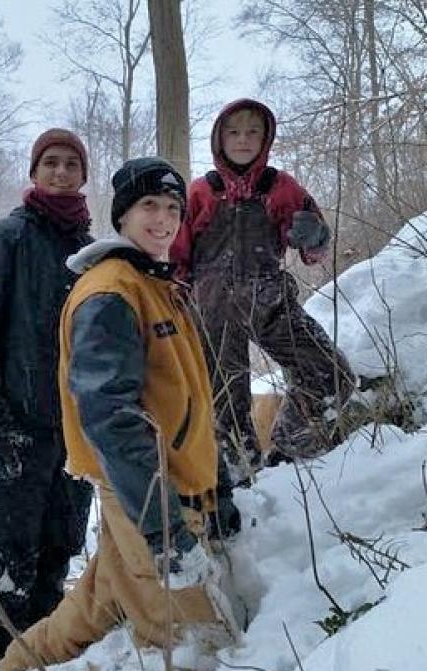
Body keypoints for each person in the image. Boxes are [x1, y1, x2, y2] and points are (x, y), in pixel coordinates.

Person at [0, 158, 243, 671]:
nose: (163, 221)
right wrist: (163, 527)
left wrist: (215, 490)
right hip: (146, 499)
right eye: (149, 209)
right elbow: (111, 415)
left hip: (156, 492)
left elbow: (181, 401)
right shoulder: (111, 293)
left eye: (172, 210)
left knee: (88, 614)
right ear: (122, 217)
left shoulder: (154, 283)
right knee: (195, 654)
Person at [0, 128, 95, 671]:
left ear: (83, 176)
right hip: (17, 426)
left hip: (77, 432)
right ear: (34, 173)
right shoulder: (4, 239)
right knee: (12, 554)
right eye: (50, 163)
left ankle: (38, 666)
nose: (60, 172)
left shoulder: (92, 252)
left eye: (71, 164)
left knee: (59, 548)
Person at [172, 98, 355, 483]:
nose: (243, 139)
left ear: (266, 137)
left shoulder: (281, 187)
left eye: (253, 131)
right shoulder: (202, 192)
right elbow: (178, 253)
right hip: (212, 309)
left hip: (271, 300)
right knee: (225, 400)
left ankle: (290, 457)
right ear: (219, 138)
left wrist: (313, 237)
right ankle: (240, 480)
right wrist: (175, 297)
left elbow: (313, 250)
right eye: (234, 131)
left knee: (330, 371)